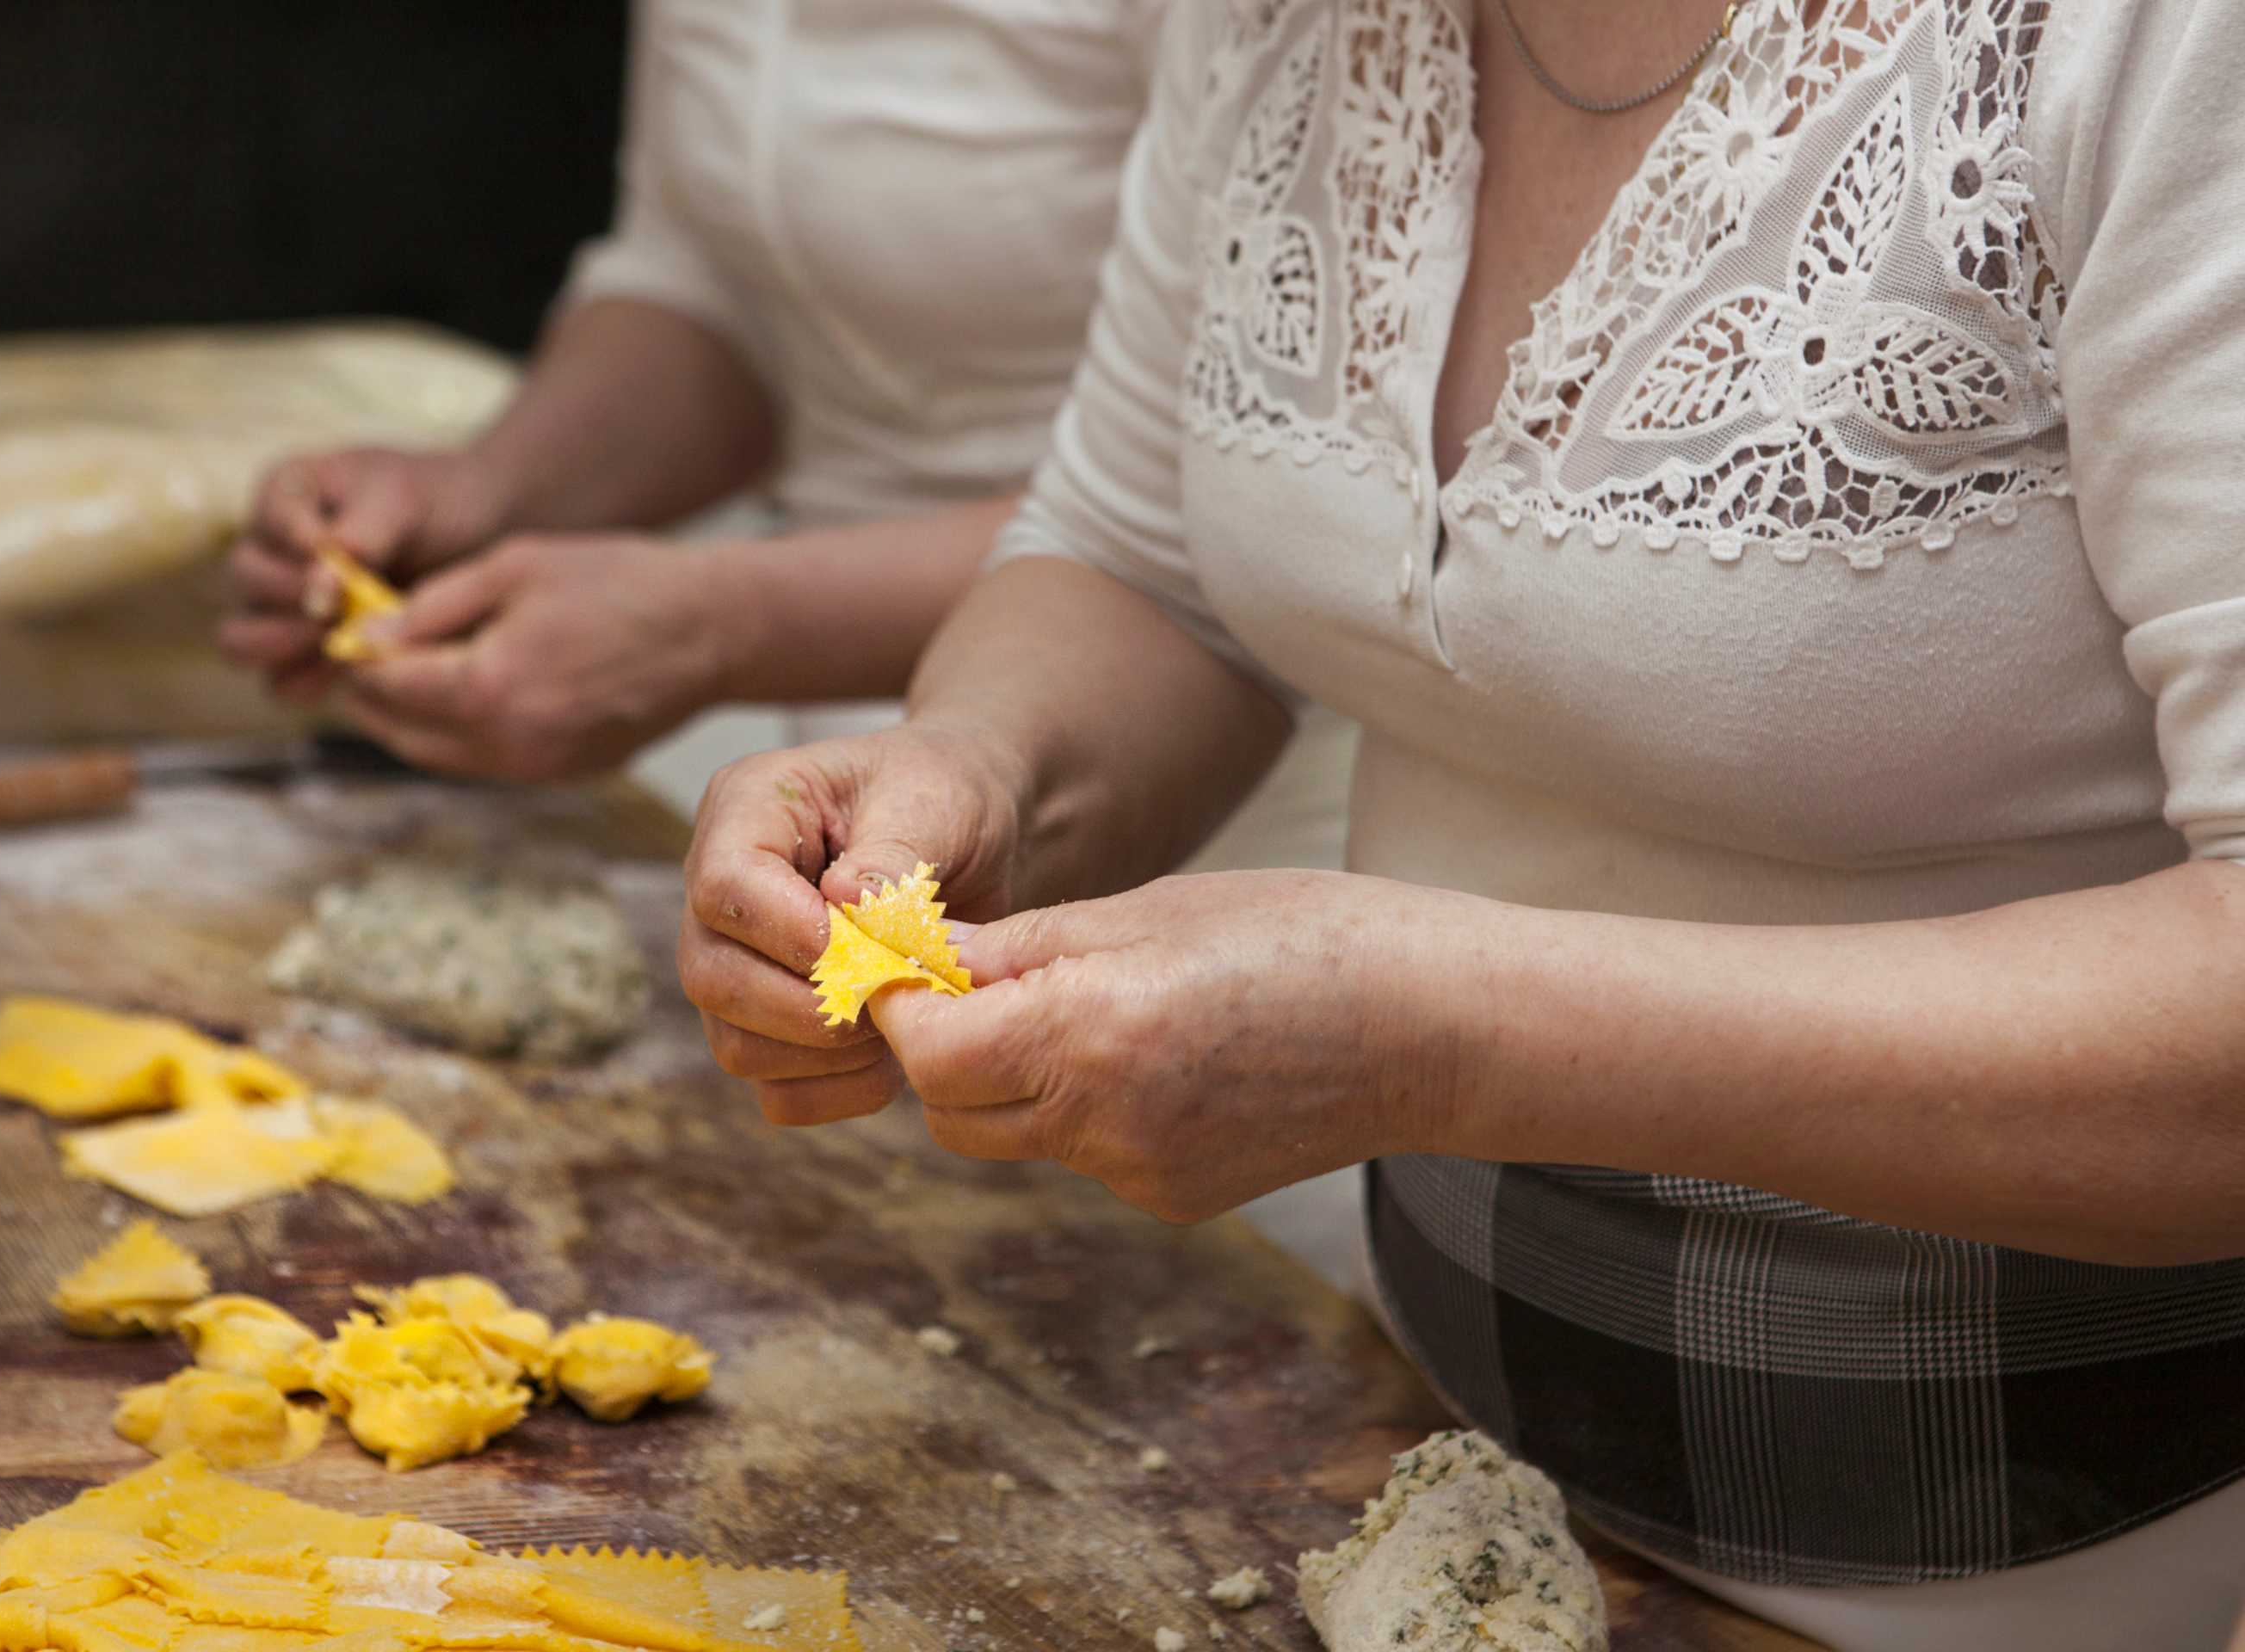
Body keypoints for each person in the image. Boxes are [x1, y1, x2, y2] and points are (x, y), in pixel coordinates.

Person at [678, 0, 2245, 1647]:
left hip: (2074, 1567)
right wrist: (976, 772)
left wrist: (1425, 1040)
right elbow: (1146, 558)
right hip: (1422, 1438)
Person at [212, 0, 1351, 875]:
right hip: (814, 801)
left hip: (1195, 820)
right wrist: (495, 491)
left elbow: (1226, 508)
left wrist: (716, 626)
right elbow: (720, 286)